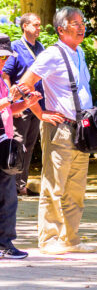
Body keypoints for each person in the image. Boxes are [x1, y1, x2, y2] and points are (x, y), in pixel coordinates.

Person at [19, 7, 97, 254]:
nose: (82, 26)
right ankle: (49, 239)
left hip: (81, 129)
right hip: (60, 128)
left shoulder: (80, 52)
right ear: (61, 29)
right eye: (76, 23)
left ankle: (71, 239)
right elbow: (25, 84)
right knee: (54, 186)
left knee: (76, 188)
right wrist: (40, 113)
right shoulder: (52, 54)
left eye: (82, 22)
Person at [0, 33, 43, 259]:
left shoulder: (0, 77)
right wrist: (10, 98)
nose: (4, 61)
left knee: (8, 196)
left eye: (6, 57)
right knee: (8, 196)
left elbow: (7, 109)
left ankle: (5, 243)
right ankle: (5, 244)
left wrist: (26, 103)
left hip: (4, 142)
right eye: (2, 56)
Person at [2, 12, 45, 196]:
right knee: (17, 144)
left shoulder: (41, 48)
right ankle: (13, 183)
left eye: (40, 25)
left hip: (33, 104)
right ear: (24, 26)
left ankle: (21, 184)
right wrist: (13, 105)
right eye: (35, 25)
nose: (39, 28)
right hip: (17, 105)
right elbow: (6, 75)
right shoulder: (15, 48)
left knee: (30, 144)